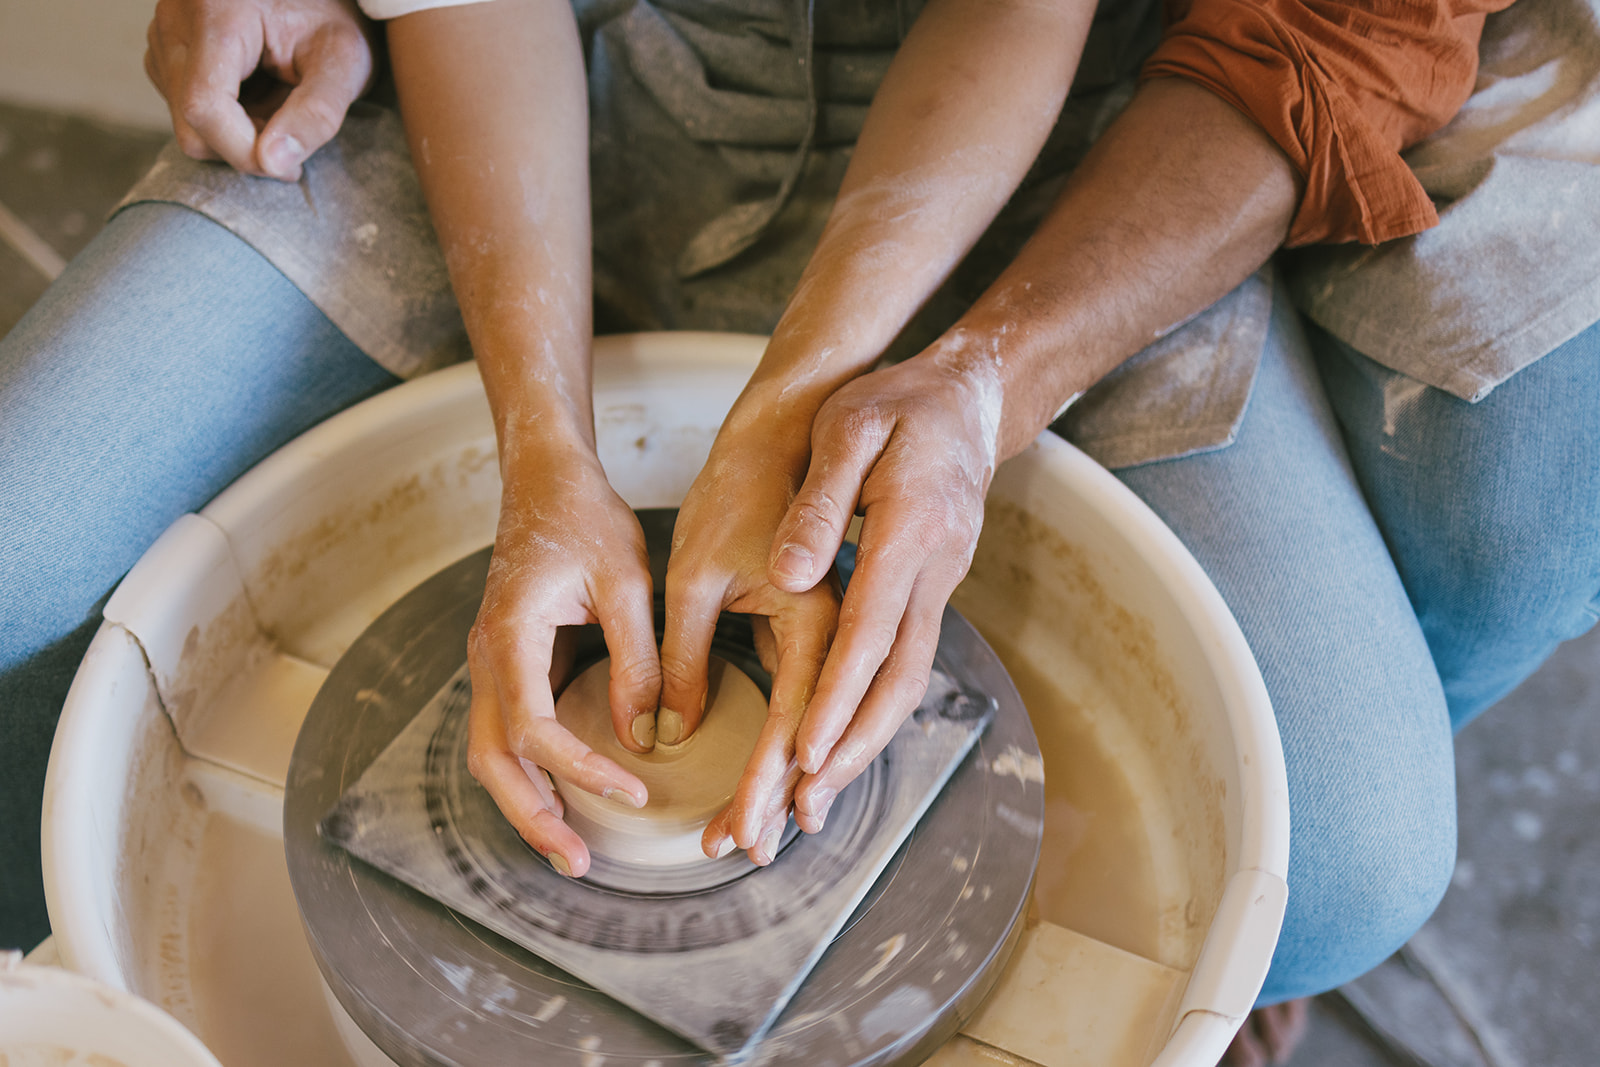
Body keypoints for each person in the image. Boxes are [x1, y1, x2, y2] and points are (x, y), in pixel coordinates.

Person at [3, 0, 1597, 1064]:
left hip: (1027, 157)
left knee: (1351, 860)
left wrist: (872, 394)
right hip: (572, 80)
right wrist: (540, 453)